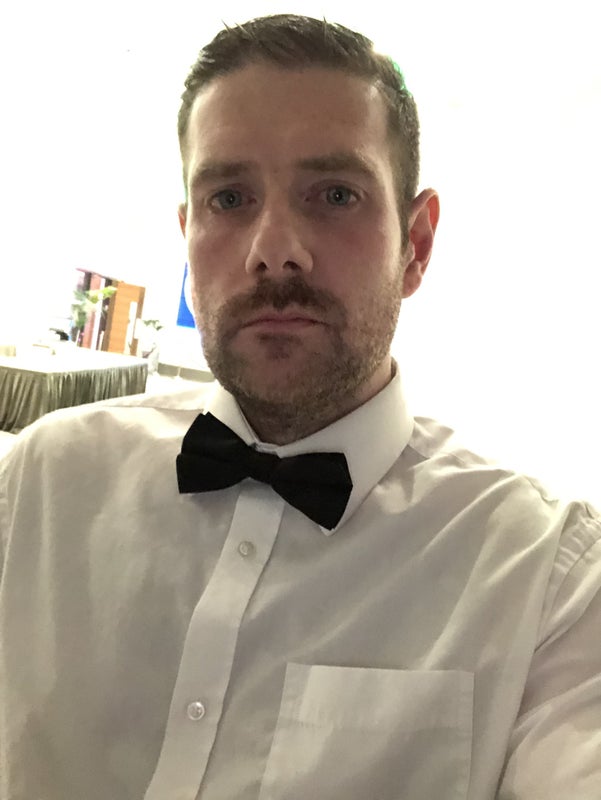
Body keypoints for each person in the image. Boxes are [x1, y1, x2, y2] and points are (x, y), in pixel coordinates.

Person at [1, 13, 600, 800]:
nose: (274, 249)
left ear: (415, 245)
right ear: (187, 238)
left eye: (335, 195)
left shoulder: (547, 576)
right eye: (229, 198)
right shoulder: (39, 484)